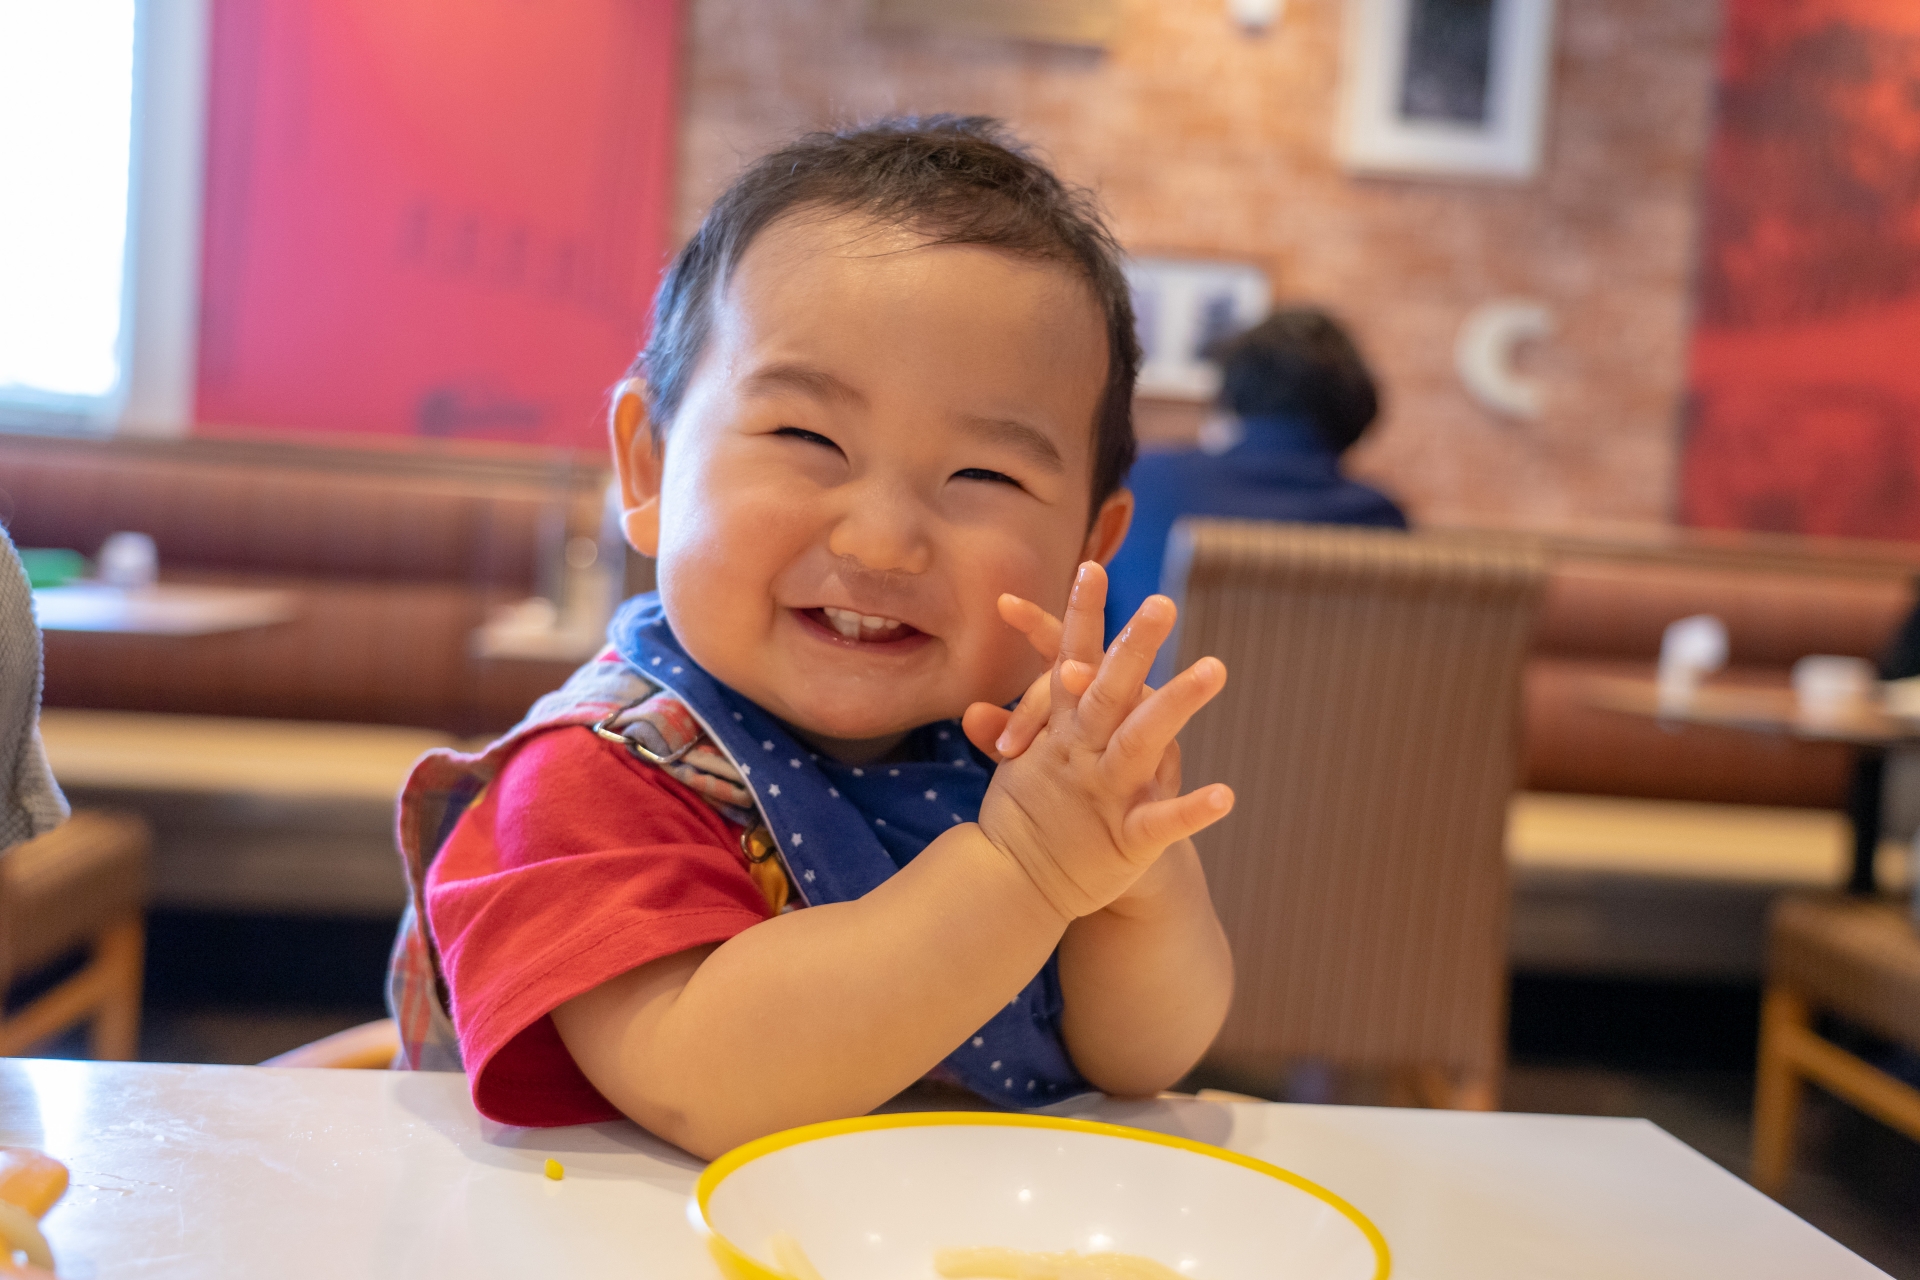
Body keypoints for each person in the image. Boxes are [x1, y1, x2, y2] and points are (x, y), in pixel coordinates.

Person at [386, 117, 1236, 1159]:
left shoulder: (1023, 755)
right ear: (646, 468)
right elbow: (707, 1080)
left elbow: (1141, 1058)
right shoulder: (595, 776)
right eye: (807, 437)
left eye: (986, 476)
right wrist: (1024, 871)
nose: (882, 538)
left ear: (1086, 551)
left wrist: (1129, 875)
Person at [1103, 308, 1408, 643]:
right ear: (1354, 411)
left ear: (1232, 393)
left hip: (1145, 693)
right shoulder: (1376, 516)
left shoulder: (1143, 480)